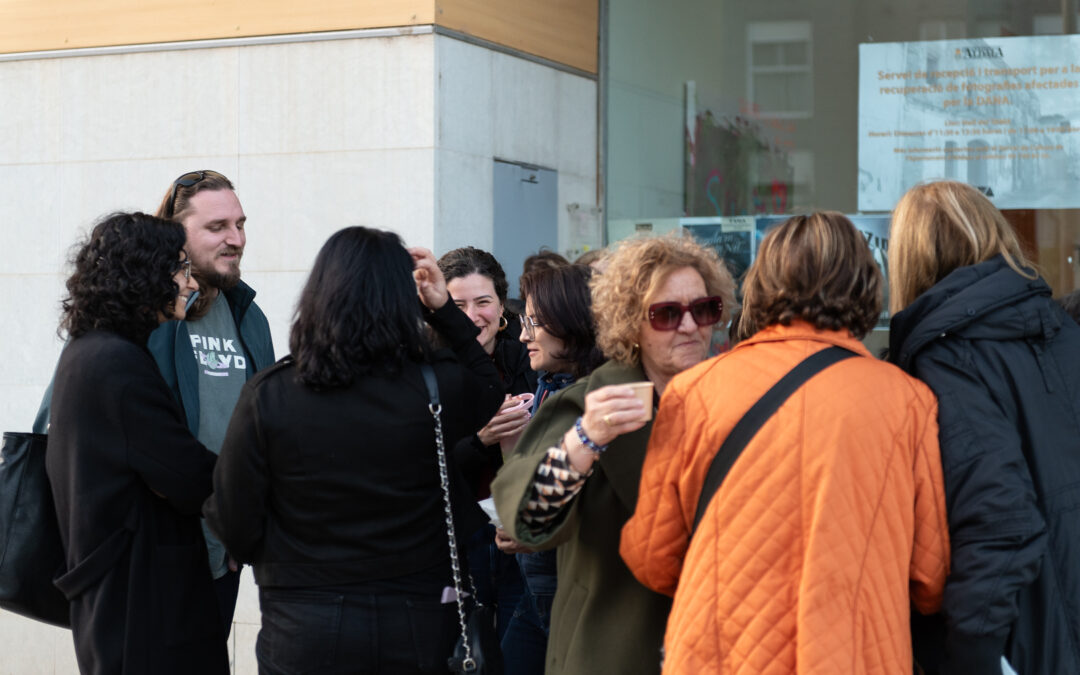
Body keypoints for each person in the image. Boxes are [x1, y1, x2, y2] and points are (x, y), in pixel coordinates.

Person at [620, 212, 950, 674]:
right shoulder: (907, 402)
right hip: (852, 656)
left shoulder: (695, 392)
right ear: (865, 284)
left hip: (722, 655)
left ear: (763, 282)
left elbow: (653, 558)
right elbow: (930, 579)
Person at [204, 227, 503, 674]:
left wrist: (286, 561)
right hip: (417, 617)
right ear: (404, 300)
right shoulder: (432, 385)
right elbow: (489, 388)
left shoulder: (271, 392)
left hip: (303, 618)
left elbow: (233, 519)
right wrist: (443, 310)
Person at [491, 235, 736, 675]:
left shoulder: (727, 398)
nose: (689, 326)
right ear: (628, 321)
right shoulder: (591, 402)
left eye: (704, 309)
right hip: (614, 650)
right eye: (667, 314)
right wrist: (584, 441)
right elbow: (527, 518)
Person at [887, 181, 1080, 675]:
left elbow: (999, 522)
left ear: (909, 260)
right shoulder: (1062, 331)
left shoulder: (947, 357)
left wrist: (972, 656)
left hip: (1025, 643)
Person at [46, 212, 227, 674]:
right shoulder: (118, 364)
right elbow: (190, 477)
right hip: (143, 608)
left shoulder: (87, 350)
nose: (191, 283)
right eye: (181, 268)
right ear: (145, 274)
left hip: (116, 600)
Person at [150, 169, 275, 631]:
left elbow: (265, 431)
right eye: (217, 227)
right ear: (174, 233)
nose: (236, 239)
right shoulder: (146, 310)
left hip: (222, 555)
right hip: (153, 553)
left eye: (240, 225)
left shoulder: (249, 315)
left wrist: (249, 522)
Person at [497, 263, 604, 675]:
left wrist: (536, 529)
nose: (524, 335)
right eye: (524, 322)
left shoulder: (598, 401)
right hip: (538, 585)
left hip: (569, 588)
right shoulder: (550, 386)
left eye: (534, 323)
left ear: (572, 323)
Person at [438, 246, 537, 641]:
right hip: (460, 536)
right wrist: (482, 439)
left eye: (482, 302)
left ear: (501, 306)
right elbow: (427, 465)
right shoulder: (428, 371)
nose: (471, 316)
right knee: (466, 652)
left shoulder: (530, 358)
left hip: (521, 532)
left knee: (519, 652)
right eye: (457, 305)